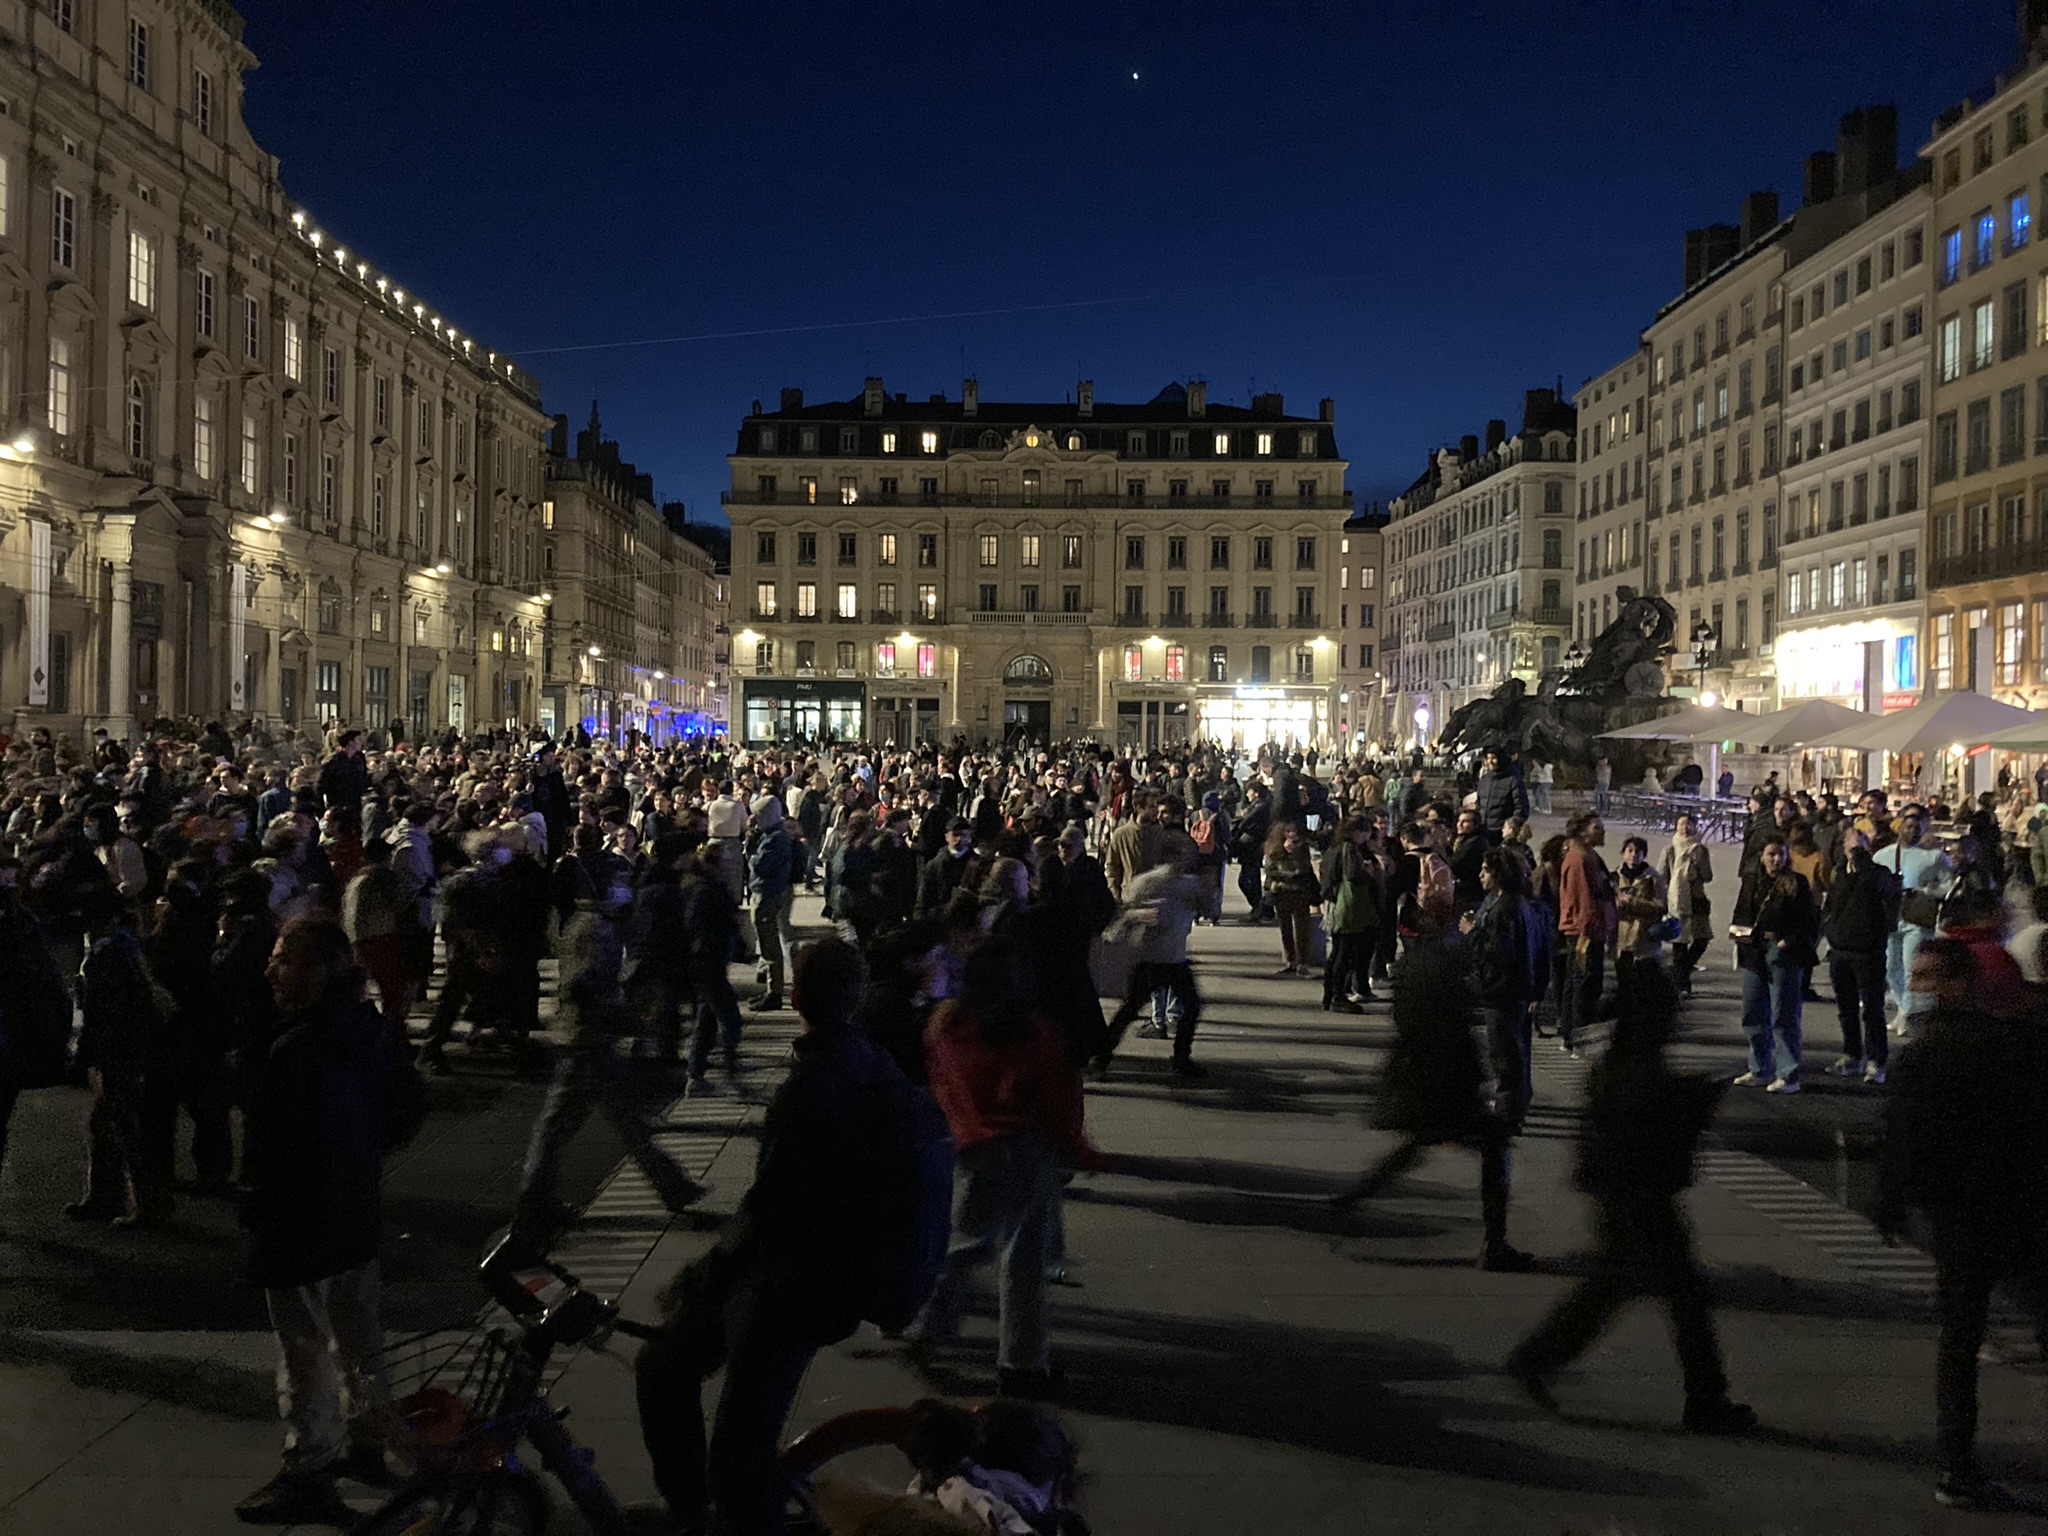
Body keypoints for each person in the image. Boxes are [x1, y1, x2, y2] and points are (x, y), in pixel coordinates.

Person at [632, 937, 908, 1536]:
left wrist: (699, 1276)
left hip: (789, 1286)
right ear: (856, 1000)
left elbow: (769, 1208)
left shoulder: (811, 1086)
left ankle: (700, 1511)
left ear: (794, 996)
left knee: (728, 1449)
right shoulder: (871, 1066)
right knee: (674, 1376)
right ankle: (701, 1508)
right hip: (831, 1276)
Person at [1506, 964, 1753, 1434]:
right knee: (1671, 1293)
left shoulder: (1623, 1053)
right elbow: (1647, 1121)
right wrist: (1694, 1102)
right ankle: (1705, 1399)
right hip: (1636, 1194)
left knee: (1623, 1287)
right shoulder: (1638, 1057)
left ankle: (1536, 1360)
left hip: (1620, 1190)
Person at [235, 920, 400, 1526]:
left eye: (283, 960)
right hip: (353, 1210)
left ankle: (310, 1467)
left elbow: (268, 1150)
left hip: (300, 1219)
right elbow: (404, 1110)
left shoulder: (297, 1048)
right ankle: (371, 1438)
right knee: (360, 1334)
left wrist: (255, 1210)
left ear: (321, 970)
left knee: (302, 1347)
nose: (270, 971)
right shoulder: (368, 1029)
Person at [1877, 938, 2048, 1512]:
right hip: (1993, 1209)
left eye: (1926, 978)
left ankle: (1956, 1464)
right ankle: (1955, 1464)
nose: (1916, 988)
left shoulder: (1940, 1052)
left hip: (1975, 1210)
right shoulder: (2002, 1042)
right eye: (1914, 977)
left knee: (1961, 1337)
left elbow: (1900, 1137)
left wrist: (1892, 1200)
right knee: (1968, 1334)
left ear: (1956, 982)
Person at [908, 937, 1100, 1397]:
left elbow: (943, 1085)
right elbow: (1056, 1099)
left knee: (964, 1245)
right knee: (1024, 1260)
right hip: (1025, 1149)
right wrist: (1077, 1149)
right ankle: (1021, 1362)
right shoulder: (1031, 1032)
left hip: (975, 1146)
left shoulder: (946, 1025)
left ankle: (926, 1326)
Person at [1333, 875, 1532, 1271]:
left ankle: (1350, 1201)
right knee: (1490, 1147)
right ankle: (1494, 1245)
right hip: (1445, 1074)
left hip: (1425, 1073)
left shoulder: (1415, 960)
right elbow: (1457, 1010)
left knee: (1422, 1140)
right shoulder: (1444, 958)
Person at [1096, 836, 1207, 1079]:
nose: (1187, 858)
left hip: (1173, 957)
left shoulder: (1188, 884)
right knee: (1132, 1008)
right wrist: (1140, 914)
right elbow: (1125, 913)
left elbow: (1206, 907)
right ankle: (1102, 1055)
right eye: (1182, 853)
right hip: (1152, 957)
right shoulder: (1150, 881)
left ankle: (1180, 1058)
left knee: (1188, 1006)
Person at [1730, 837, 1817, 1093]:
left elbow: (1809, 922)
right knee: (1753, 1012)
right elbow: (1741, 912)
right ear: (1761, 856)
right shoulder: (1752, 881)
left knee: (1783, 1014)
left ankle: (1788, 1074)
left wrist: (1789, 941)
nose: (1775, 859)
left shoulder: (1796, 883)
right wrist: (1738, 936)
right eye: (1771, 854)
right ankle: (1759, 1067)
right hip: (1754, 951)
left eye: (1780, 854)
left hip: (1783, 953)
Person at [1823, 827, 1899, 1085]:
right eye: (1851, 846)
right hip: (1841, 950)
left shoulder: (1878, 874)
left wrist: (1863, 862)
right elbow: (1831, 906)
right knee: (1846, 1010)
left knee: (1872, 1009)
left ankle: (1876, 1061)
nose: (1855, 852)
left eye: (1861, 846)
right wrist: (1830, 930)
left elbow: (1881, 889)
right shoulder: (1839, 875)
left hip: (1869, 952)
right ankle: (1851, 1054)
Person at [1878, 805, 1951, 1039]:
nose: (1913, 830)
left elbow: (1949, 885)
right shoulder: (1883, 855)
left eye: (1918, 826)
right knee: (1890, 968)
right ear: (1900, 826)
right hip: (1890, 918)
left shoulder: (1934, 856)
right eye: (1908, 826)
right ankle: (1903, 1007)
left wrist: (1932, 891)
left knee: (1911, 967)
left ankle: (1908, 1014)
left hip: (1917, 918)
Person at [1556, 812, 1615, 1058]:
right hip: (1584, 932)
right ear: (1583, 831)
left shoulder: (1589, 856)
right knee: (1583, 982)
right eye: (1596, 827)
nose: (1602, 831)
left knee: (1580, 981)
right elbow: (1582, 899)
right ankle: (1577, 1037)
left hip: (1591, 929)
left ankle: (1572, 1034)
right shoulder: (1578, 859)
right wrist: (1589, 929)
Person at [1319, 815, 1380, 1012]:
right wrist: (1370, 873)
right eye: (1366, 832)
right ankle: (1338, 995)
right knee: (1345, 953)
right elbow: (1353, 875)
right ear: (1357, 832)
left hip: (1335, 904)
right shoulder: (1349, 849)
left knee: (1337, 952)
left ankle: (1330, 994)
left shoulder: (1333, 848)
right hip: (1350, 907)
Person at [1660, 813, 1714, 998]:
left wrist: (1696, 865)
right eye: (1681, 824)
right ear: (1676, 826)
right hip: (1677, 901)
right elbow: (1662, 877)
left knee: (1702, 939)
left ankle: (1680, 973)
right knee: (1679, 944)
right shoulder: (1670, 850)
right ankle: (1682, 984)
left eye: (1689, 824)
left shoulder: (1701, 850)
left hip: (1697, 898)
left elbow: (1708, 876)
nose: (1685, 828)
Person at [1261, 820, 1319, 978]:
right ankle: (1290, 961)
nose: (1291, 834)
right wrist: (1288, 872)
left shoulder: (1303, 848)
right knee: (1285, 929)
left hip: (1300, 892)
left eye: (1294, 831)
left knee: (1302, 929)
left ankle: (1303, 964)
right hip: (1281, 892)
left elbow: (1304, 869)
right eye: (1287, 831)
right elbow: (1270, 869)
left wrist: (1295, 852)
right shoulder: (1273, 848)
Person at [1612, 834, 1668, 991]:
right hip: (1621, 937)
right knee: (1623, 981)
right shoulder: (1616, 876)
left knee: (1644, 982)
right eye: (1629, 851)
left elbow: (1660, 905)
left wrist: (1633, 902)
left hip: (1643, 938)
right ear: (1623, 853)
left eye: (1638, 852)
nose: (1633, 855)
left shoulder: (1653, 878)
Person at [1474, 748, 1530, 838]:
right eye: (1488, 758)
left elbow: (1521, 807)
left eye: (1493, 758)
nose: (1490, 761)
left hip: (1503, 832)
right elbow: (1479, 803)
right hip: (1483, 831)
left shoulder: (1513, 780)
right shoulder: (1484, 781)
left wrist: (1512, 827)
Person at [315, 729, 370, 816]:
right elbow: (320, 786)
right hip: (337, 805)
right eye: (358, 739)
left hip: (355, 805)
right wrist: (321, 810)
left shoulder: (358, 760)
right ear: (351, 742)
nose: (361, 743)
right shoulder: (332, 762)